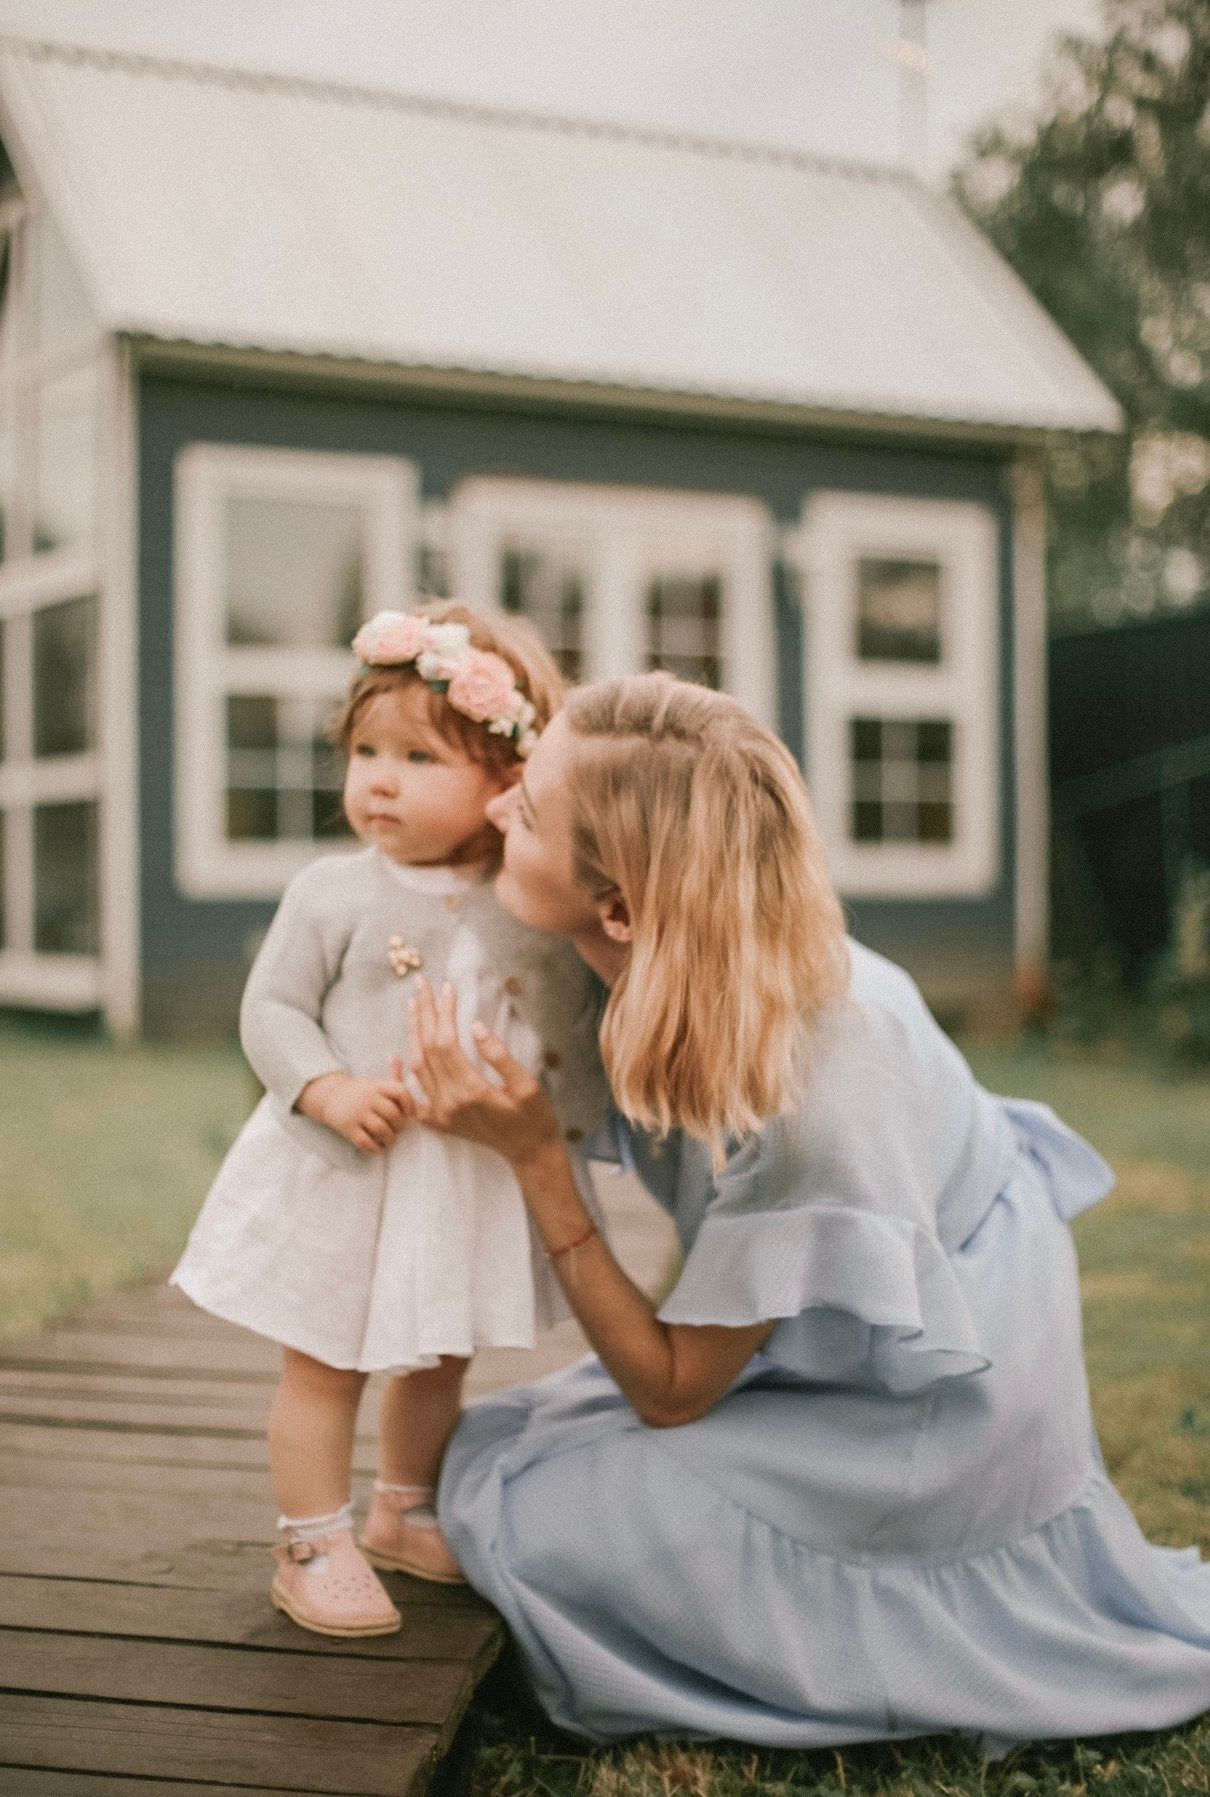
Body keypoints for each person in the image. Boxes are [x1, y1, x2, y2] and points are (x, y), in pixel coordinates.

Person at [403, 671, 1210, 1755]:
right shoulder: (687, 955)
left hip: (935, 1394)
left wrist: (536, 1159)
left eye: (528, 809)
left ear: (625, 908)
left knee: (537, 1522)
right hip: (833, 1336)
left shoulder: (806, 1096)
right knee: (493, 1448)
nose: (498, 807)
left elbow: (675, 1391)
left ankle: (893, 1611)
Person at [172, 603, 609, 1640]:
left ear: (507, 782)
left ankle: (402, 1507)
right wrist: (323, 1086)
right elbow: (270, 1009)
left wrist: (565, 1121)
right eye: (364, 751)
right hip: (349, 1162)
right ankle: (310, 1537)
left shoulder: (526, 897)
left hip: (459, 1173)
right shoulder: (334, 891)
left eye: (417, 757)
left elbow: (572, 1024)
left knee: (435, 1353)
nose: (377, 779)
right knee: (324, 1358)